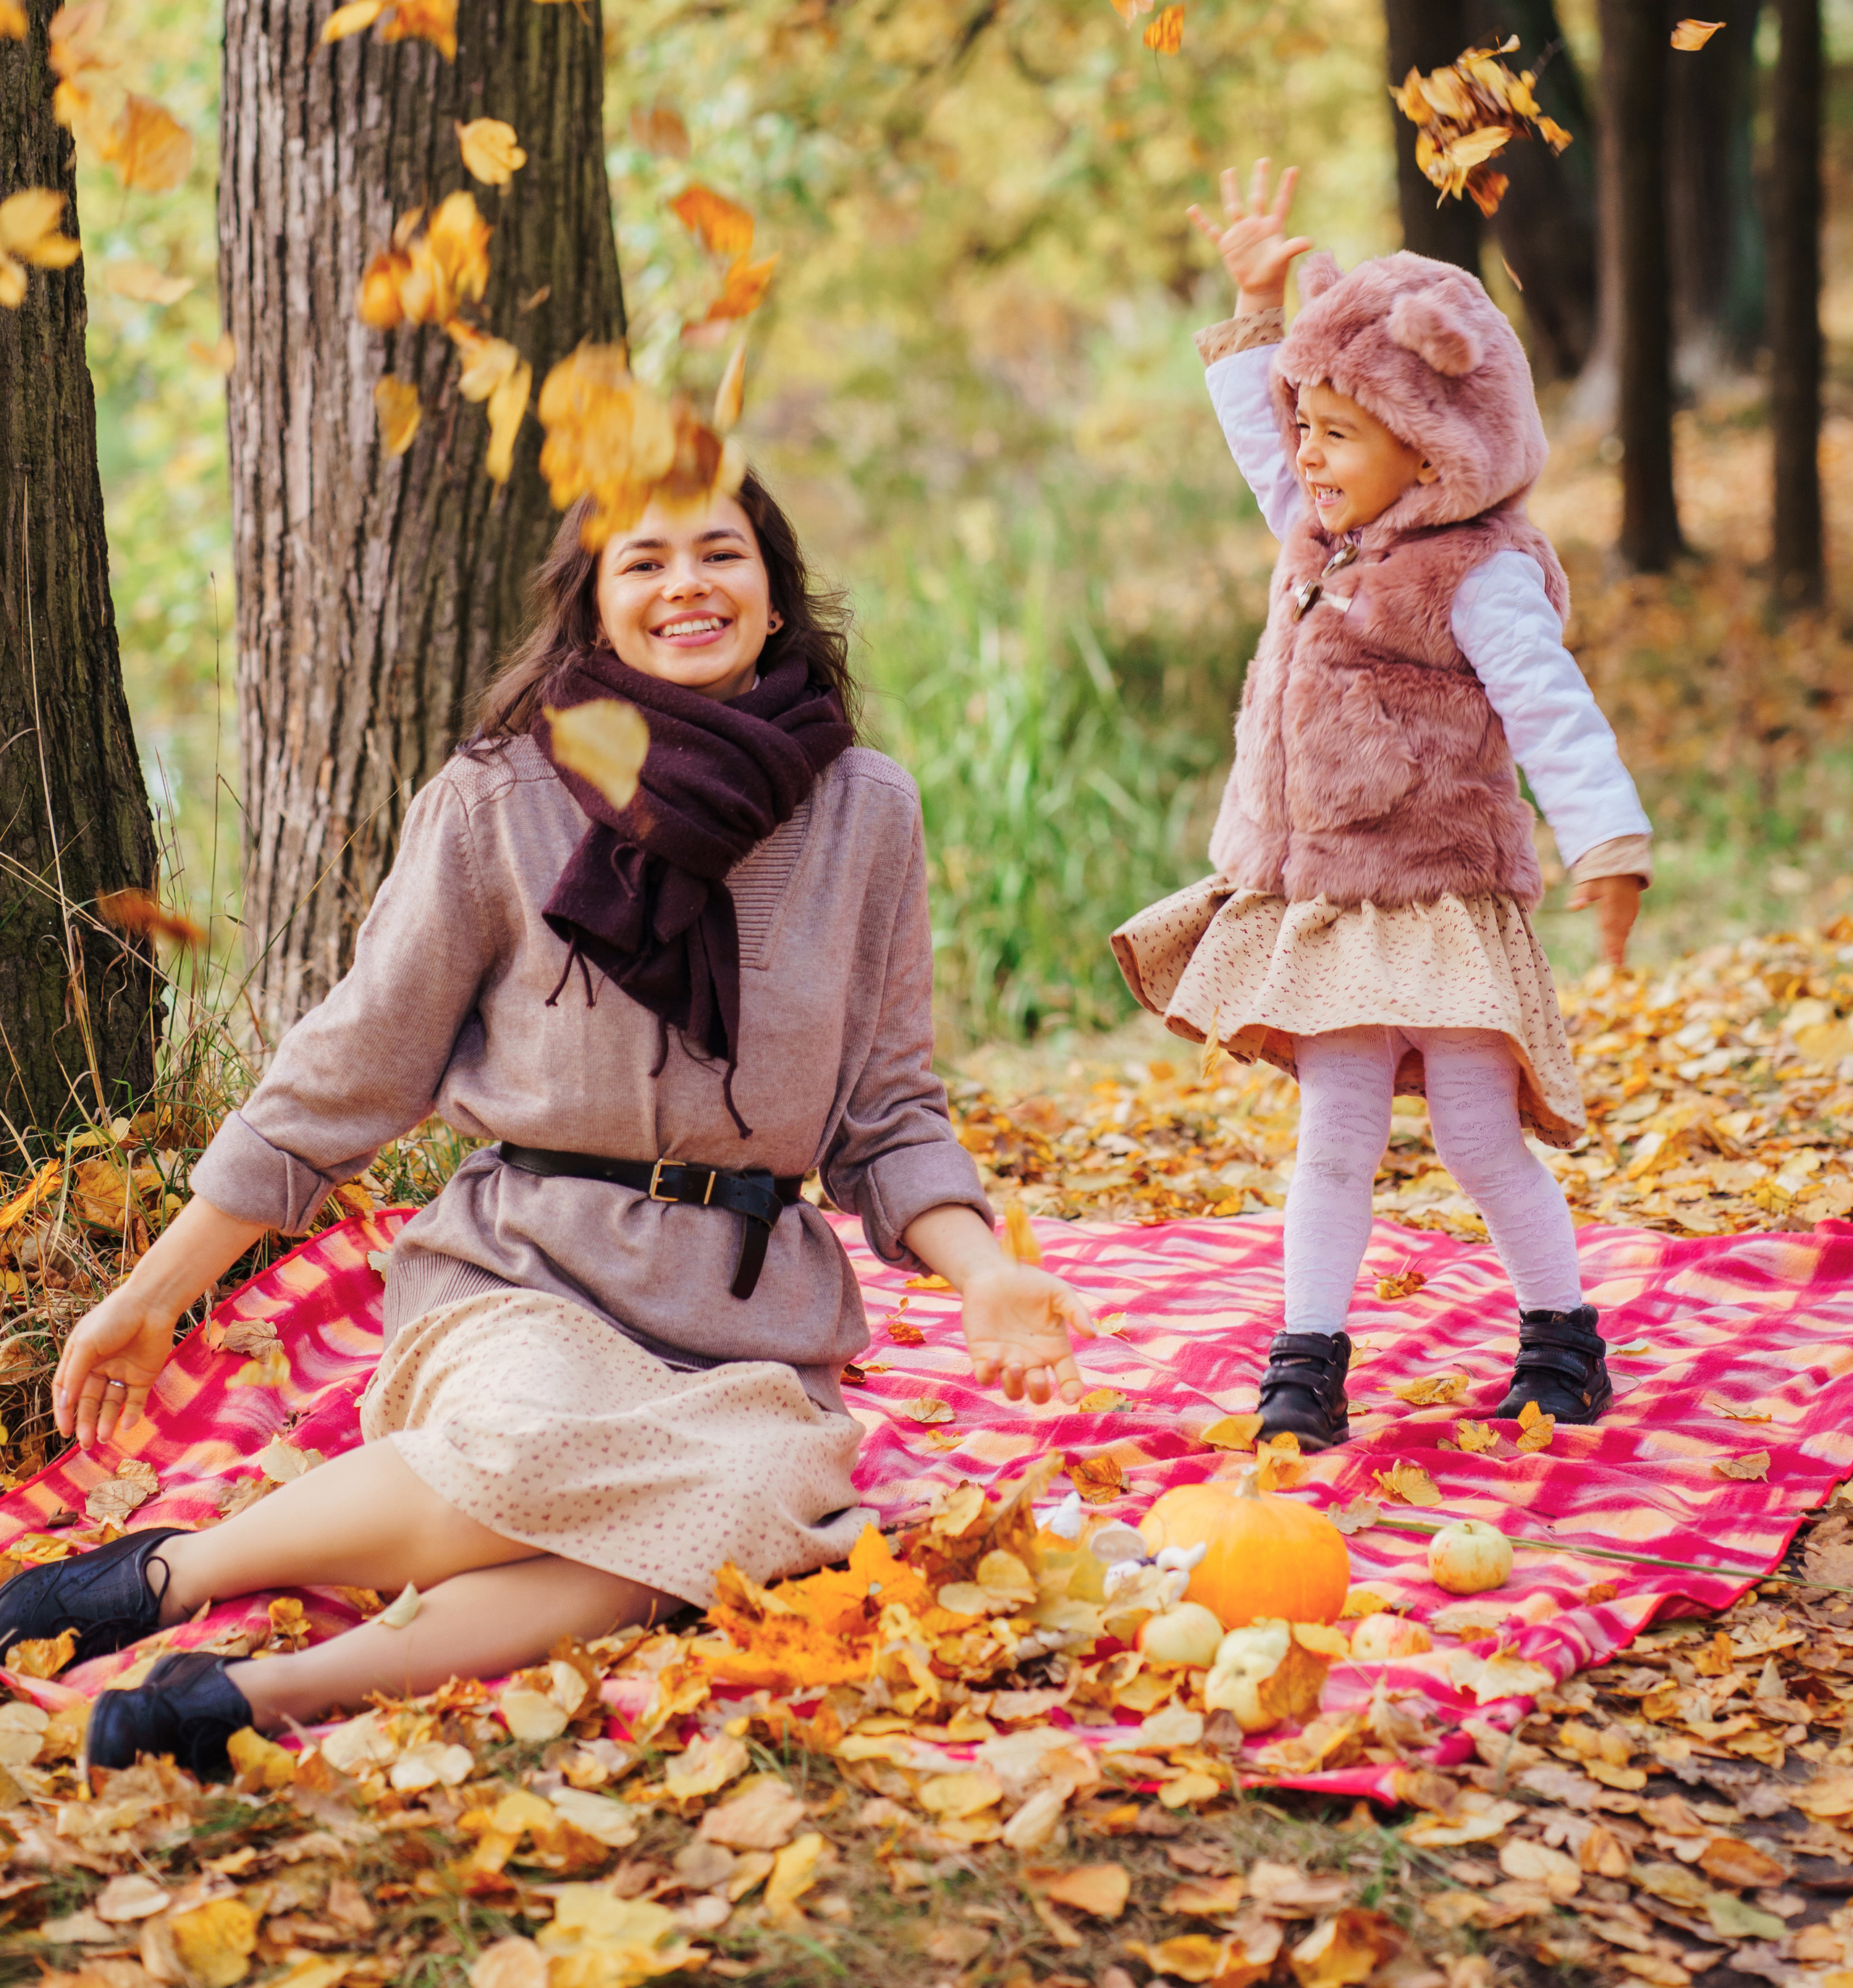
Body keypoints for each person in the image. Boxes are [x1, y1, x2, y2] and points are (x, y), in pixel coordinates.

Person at [1, 472, 1092, 1776]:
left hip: (750, 1318)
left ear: (775, 589)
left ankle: (262, 1692)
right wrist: (159, 1288)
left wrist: (983, 1272)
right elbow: (352, 1070)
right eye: (644, 563)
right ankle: (166, 1577)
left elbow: (887, 1112)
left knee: (737, 1512)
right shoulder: (496, 800)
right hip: (527, 1272)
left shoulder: (868, 809)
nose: (687, 585)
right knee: (535, 1441)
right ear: (594, 606)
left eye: (720, 553)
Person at [1112, 163, 1651, 1449]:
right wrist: (1254, 314)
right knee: (1334, 1132)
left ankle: (1563, 1337)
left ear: (1434, 447)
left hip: (1442, 894)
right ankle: (1306, 1364)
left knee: (1474, 1132)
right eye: (1306, 424)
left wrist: (1608, 841)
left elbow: (1550, 707)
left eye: (1338, 433)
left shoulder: (1478, 572)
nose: (1306, 453)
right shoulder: (1315, 531)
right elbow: (1261, 445)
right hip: (1331, 905)